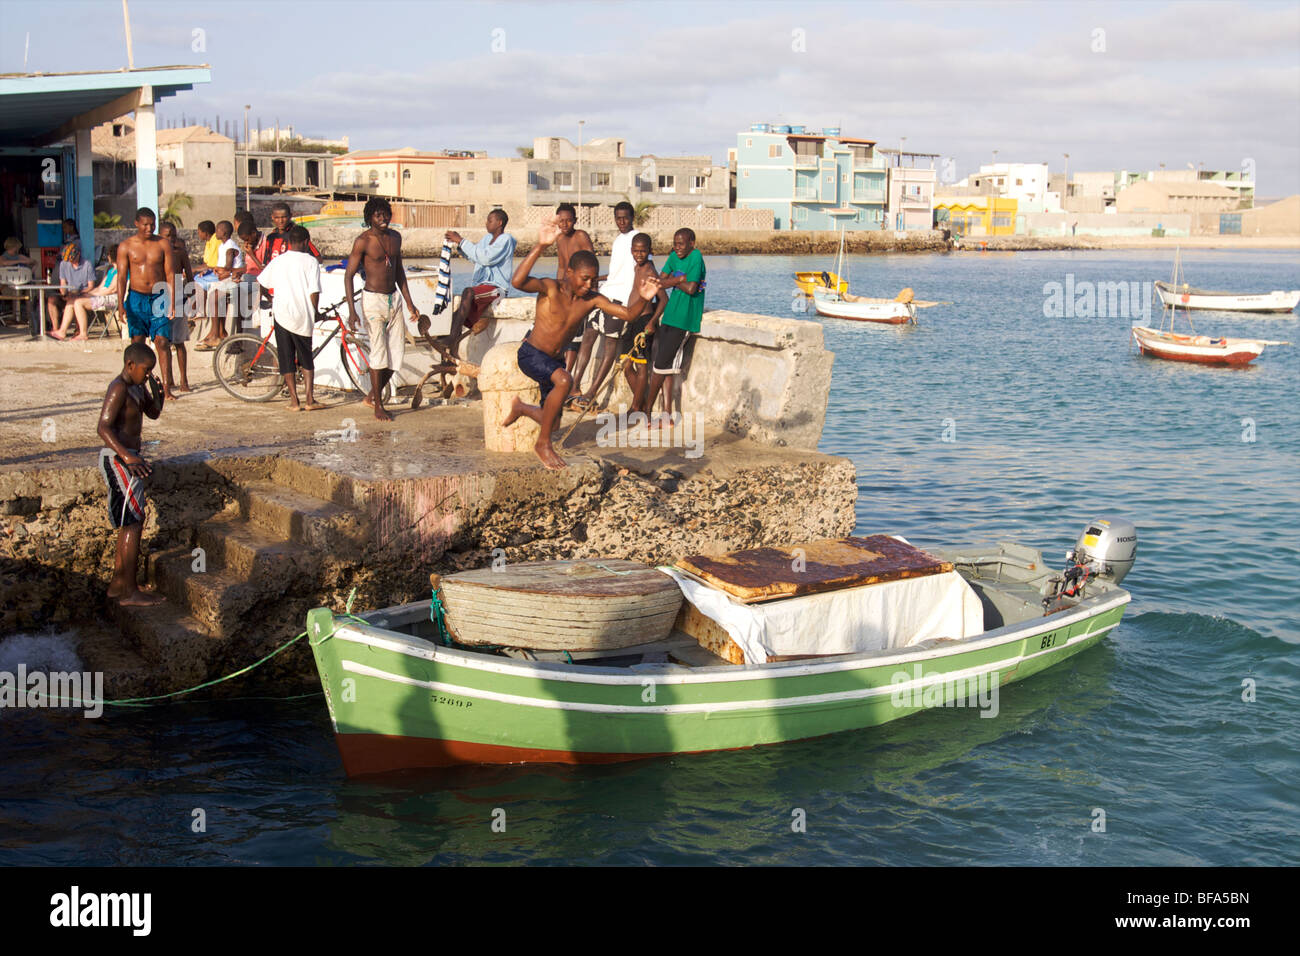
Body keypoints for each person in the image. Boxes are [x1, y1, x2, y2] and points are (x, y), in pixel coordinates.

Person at [505, 220, 656, 470]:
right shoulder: (551, 289)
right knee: (565, 381)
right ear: (570, 273)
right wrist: (541, 246)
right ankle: (543, 445)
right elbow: (518, 282)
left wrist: (643, 297)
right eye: (585, 279)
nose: (589, 286)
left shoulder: (592, 299)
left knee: (551, 422)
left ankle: (520, 407)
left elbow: (628, 314)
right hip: (531, 354)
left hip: (553, 362)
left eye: (594, 281)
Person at [96, 341, 165, 607]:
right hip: (119, 459)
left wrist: (157, 393)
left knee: (132, 521)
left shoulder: (138, 387)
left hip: (130, 459)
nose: (148, 375)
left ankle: (119, 585)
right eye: (145, 371)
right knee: (133, 523)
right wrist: (127, 456)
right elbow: (103, 428)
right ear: (130, 365)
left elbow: (153, 413)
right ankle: (129, 590)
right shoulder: (119, 388)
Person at [344, 197, 423, 422]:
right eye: (378, 215)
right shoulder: (363, 241)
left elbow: (399, 272)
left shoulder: (395, 238)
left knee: (396, 356)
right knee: (378, 353)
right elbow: (349, 275)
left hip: (394, 299)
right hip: (372, 301)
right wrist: (352, 310)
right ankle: (379, 405)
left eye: (386, 214)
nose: (383, 219)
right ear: (370, 218)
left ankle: (371, 396)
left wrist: (409, 302)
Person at [572, 201, 638, 407]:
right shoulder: (618, 240)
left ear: (632, 217)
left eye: (625, 217)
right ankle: (574, 385)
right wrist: (597, 280)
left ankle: (592, 392)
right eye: (618, 217)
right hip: (606, 294)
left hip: (623, 299)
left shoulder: (638, 239)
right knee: (588, 337)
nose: (621, 221)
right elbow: (617, 272)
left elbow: (640, 271)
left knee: (610, 345)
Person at [257, 225, 324, 412]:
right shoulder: (311, 262)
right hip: (303, 315)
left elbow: (261, 282)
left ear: (288, 242)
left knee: (286, 358)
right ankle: (310, 400)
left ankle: (294, 401)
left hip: (281, 314)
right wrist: (315, 311)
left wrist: (271, 299)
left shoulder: (278, 261)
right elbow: (314, 292)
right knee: (306, 358)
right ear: (305, 242)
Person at [114, 207, 177, 399]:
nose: (150, 228)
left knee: (162, 342)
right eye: (145, 224)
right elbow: (122, 277)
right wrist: (120, 304)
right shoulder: (126, 246)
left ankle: (166, 388)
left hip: (159, 297)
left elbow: (170, 274)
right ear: (136, 223)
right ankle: (135, 387)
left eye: (153, 224)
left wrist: (172, 302)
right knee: (137, 344)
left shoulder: (163, 244)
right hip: (136, 297)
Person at [646, 228, 705, 429]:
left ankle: (646, 411)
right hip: (669, 316)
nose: (677, 248)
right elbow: (658, 283)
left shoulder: (696, 257)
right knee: (664, 367)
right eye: (675, 244)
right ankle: (666, 416)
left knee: (660, 367)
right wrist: (679, 279)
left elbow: (691, 288)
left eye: (681, 244)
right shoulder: (673, 256)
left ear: (692, 243)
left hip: (684, 320)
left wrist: (672, 281)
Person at [439, 208, 515, 360]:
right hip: (483, 286)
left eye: (490, 220)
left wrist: (461, 240)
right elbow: (476, 257)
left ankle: (452, 339)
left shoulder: (506, 240)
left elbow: (486, 258)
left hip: (496, 288)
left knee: (468, 292)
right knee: (456, 315)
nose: (486, 223)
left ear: (499, 223)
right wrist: (458, 245)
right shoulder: (487, 239)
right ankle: (453, 352)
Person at [615, 233, 667, 414]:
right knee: (626, 364)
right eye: (636, 251)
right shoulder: (637, 267)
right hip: (632, 319)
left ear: (650, 251)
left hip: (644, 321)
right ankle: (641, 403)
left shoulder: (650, 271)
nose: (639, 254)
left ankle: (636, 405)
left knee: (641, 364)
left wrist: (652, 322)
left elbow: (663, 299)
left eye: (643, 251)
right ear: (631, 251)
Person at [552, 203, 595, 372]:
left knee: (574, 333)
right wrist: (558, 289)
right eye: (561, 221)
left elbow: (592, 263)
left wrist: (589, 288)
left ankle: (567, 373)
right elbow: (562, 267)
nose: (564, 224)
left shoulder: (580, 236)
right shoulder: (560, 239)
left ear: (575, 220)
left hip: (581, 290)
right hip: (567, 290)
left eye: (568, 221)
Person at [51, 244, 118, 341]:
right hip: (102, 296)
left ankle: (83, 333)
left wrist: (91, 294)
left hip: (111, 298)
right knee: (73, 300)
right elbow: (100, 287)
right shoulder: (111, 271)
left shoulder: (120, 271)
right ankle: (62, 331)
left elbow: (111, 290)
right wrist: (87, 294)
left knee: (79, 302)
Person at [157, 222, 193, 395]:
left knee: (179, 341)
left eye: (172, 235)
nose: (170, 239)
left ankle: (184, 379)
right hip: (160, 295)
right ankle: (168, 378)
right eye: (166, 236)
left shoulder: (180, 254)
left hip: (178, 295)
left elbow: (190, 276)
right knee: (163, 341)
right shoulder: (155, 254)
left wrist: (192, 297)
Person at [47, 242, 96, 332]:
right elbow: (63, 282)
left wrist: (78, 293)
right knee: (51, 300)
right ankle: (55, 329)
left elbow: (91, 286)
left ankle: (78, 330)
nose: (71, 261)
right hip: (68, 293)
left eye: (73, 259)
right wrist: (64, 293)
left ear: (78, 254)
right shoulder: (64, 264)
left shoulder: (87, 264)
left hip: (81, 293)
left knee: (75, 300)